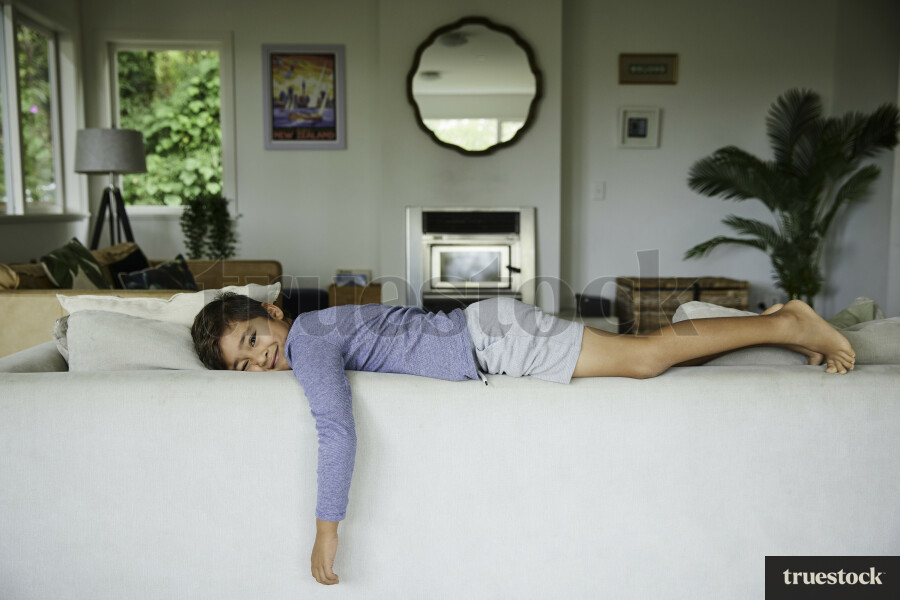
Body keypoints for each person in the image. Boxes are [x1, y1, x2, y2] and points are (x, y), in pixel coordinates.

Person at [191, 293, 855, 586]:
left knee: (644, 358)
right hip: (488, 330)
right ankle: (765, 325)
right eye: (243, 364)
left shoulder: (306, 342)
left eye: (255, 340)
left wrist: (326, 528)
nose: (261, 361)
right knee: (641, 358)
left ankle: (787, 324)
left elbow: (335, 429)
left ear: (273, 314)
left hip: (494, 340)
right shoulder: (318, 329)